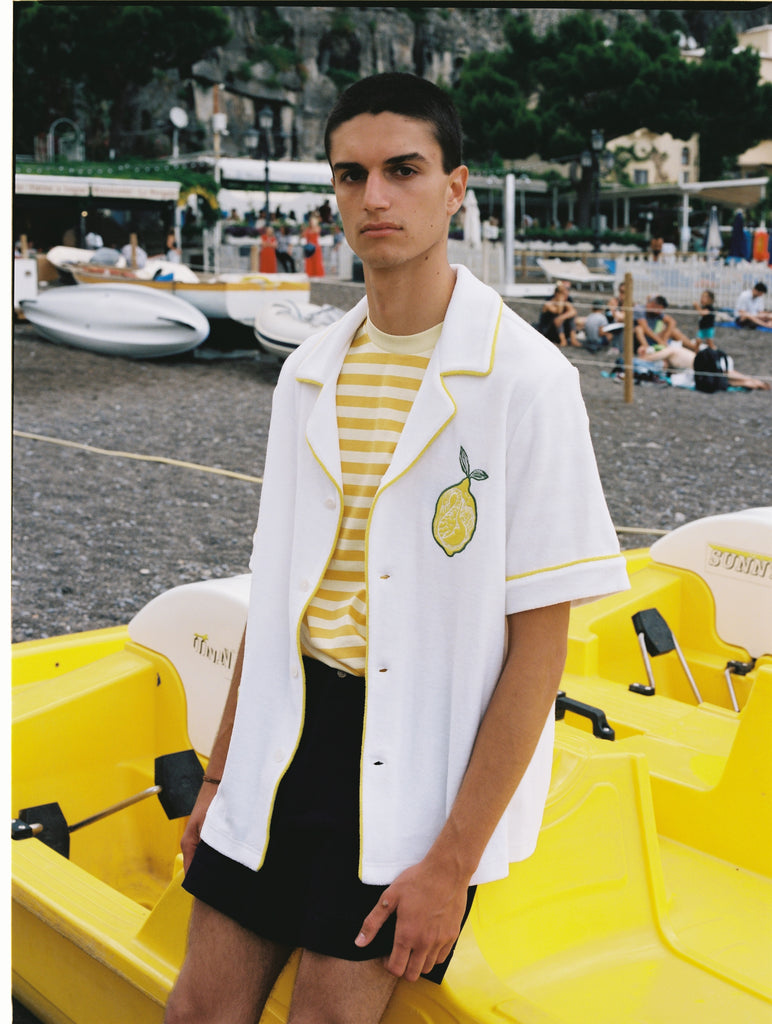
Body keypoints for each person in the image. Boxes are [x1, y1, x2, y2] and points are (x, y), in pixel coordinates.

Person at [164, 72, 628, 1024]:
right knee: (195, 1015)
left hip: (415, 763)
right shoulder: (308, 373)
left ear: (455, 187)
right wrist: (219, 776)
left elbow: (540, 653)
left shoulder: (527, 382)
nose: (375, 198)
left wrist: (451, 864)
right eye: (351, 175)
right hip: (281, 742)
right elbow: (277, 597)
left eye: (403, 170)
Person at [636, 337, 770, 391]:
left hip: (700, 364)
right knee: (724, 376)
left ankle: (751, 381)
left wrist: (643, 354)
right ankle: (751, 382)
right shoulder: (675, 350)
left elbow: (649, 359)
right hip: (699, 363)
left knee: (725, 375)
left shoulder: (670, 351)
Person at [535, 281, 581, 347]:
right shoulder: (548, 304)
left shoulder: (566, 302)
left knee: (569, 318)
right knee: (557, 317)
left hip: (558, 330)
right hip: (547, 331)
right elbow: (558, 311)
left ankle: (573, 339)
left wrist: (562, 317)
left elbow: (573, 312)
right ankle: (563, 341)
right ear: (557, 294)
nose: (565, 296)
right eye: (563, 294)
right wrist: (560, 301)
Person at [302, 213, 325, 277]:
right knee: (309, 261)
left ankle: (317, 274)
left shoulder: (317, 228)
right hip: (308, 247)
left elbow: (316, 231)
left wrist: (315, 223)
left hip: (315, 247)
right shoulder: (307, 229)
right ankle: (310, 273)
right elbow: (303, 235)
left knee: (317, 261)